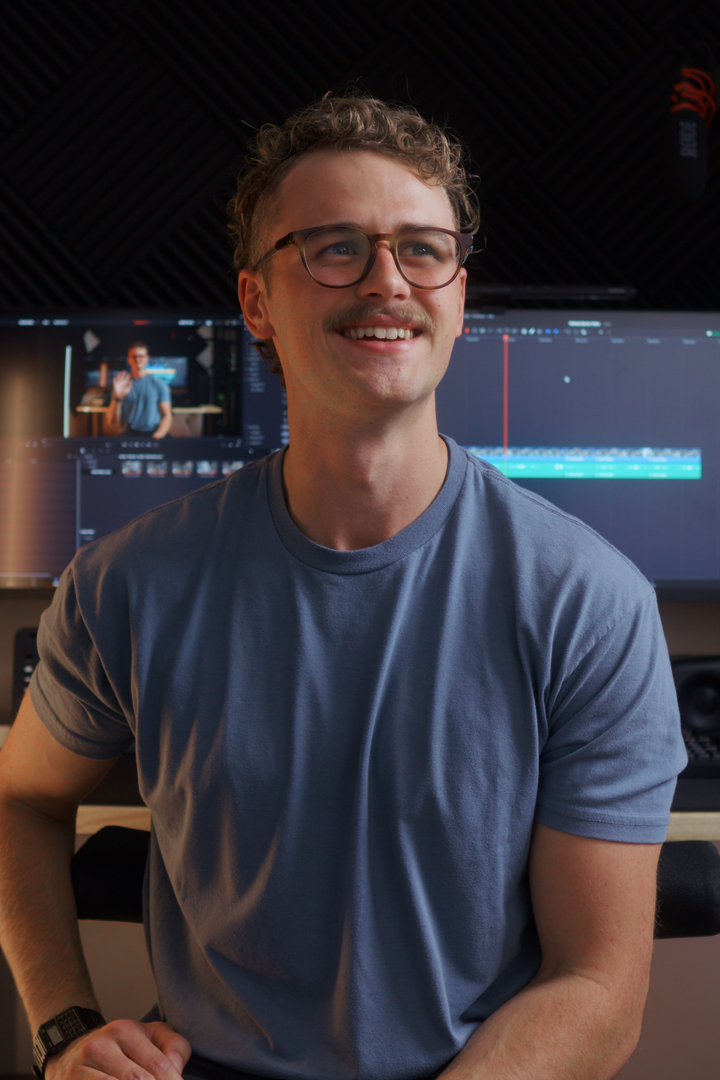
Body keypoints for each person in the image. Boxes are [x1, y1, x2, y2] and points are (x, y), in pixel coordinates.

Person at [0, 95, 686, 1080]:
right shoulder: (127, 584)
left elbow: (598, 990)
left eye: (421, 249)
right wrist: (64, 1028)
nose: (386, 282)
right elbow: (19, 802)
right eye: (333, 248)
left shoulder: (589, 604)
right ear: (255, 302)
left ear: (458, 292)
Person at [105, 342, 172, 439]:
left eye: (141, 356)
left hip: (154, 432)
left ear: (146, 358)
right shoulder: (121, 384)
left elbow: (167, 415)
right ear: (128, 359)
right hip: (129, 432)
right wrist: (118, 397)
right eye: (134, 356)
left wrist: (159, 435)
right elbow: (112, 421)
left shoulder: (159, 384)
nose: (137, 359)